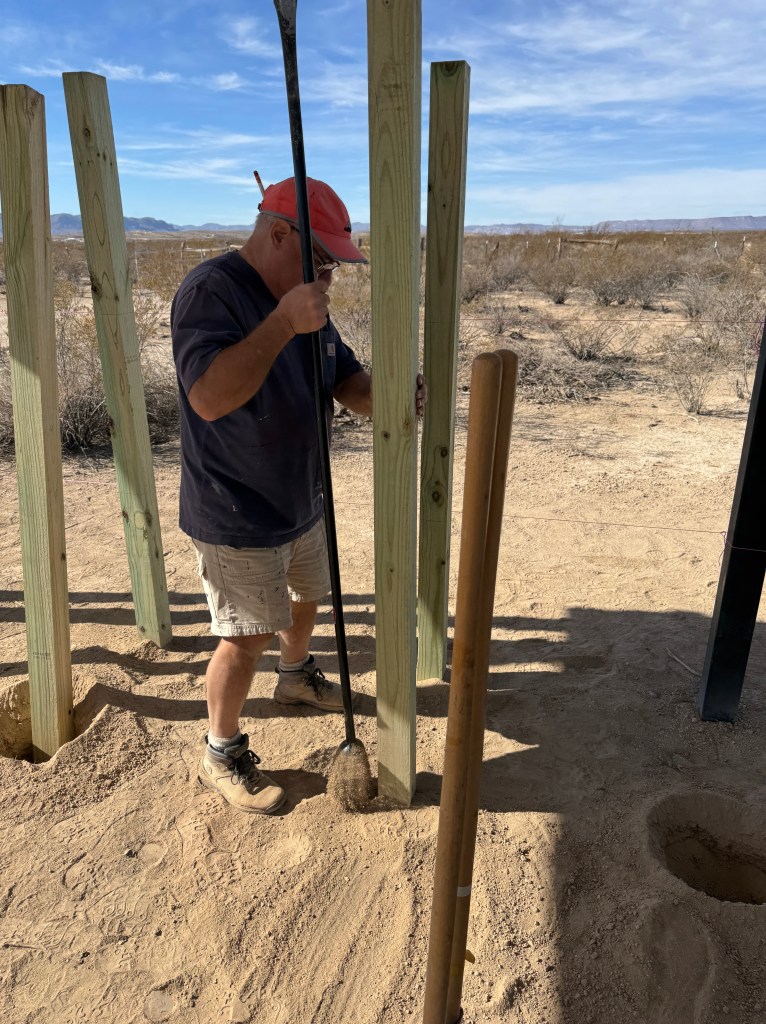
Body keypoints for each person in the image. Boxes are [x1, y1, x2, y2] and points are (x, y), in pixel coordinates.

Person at [171, 176, 426, 815]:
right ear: (280, 234)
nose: (330, 276)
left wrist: (391, 396)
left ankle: (295, 678)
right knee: (248, 632)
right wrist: (284, 323)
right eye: (323, 260)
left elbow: (345, 380)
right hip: (236, 506)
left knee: (310, 594)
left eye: (335, 265)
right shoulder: (211, 292)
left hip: (302, 494)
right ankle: (221, 751)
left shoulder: (308, 304)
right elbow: (209, 397)